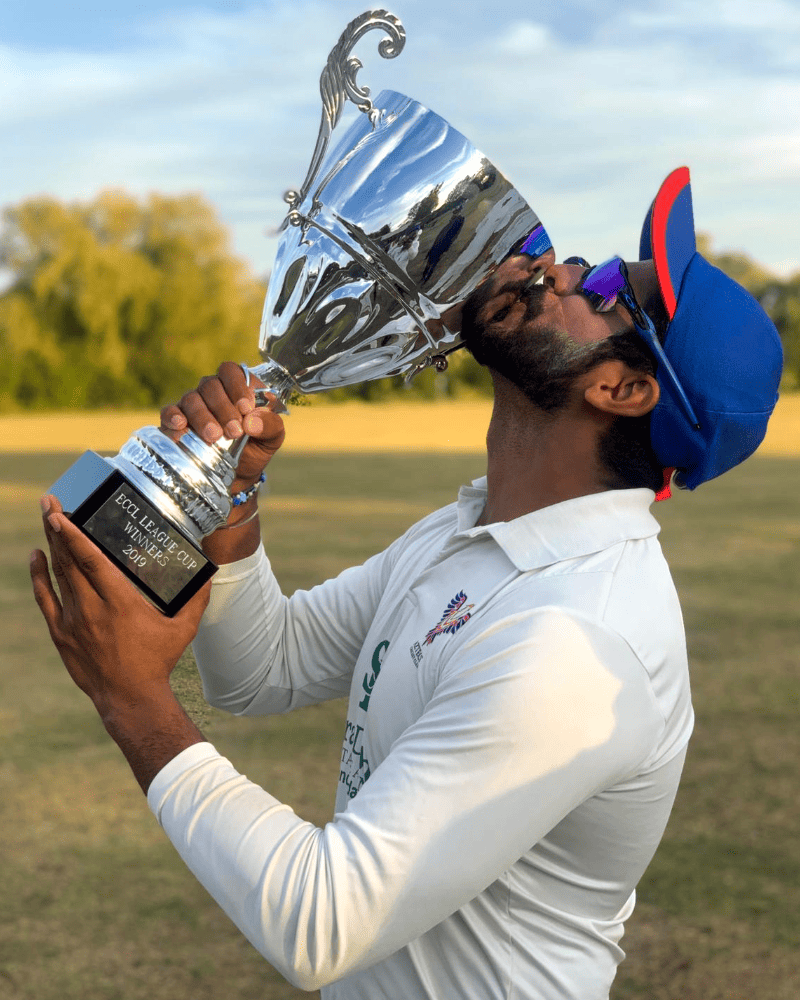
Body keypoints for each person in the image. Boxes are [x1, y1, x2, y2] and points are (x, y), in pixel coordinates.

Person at [31, 167, 782, 999]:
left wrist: (133, 701)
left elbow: (322, 922)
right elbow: (262, 671)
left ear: (622, 388)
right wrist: (231, 500)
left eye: (604, 289)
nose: (559, 267)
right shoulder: (472, 533)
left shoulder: (573, 641)